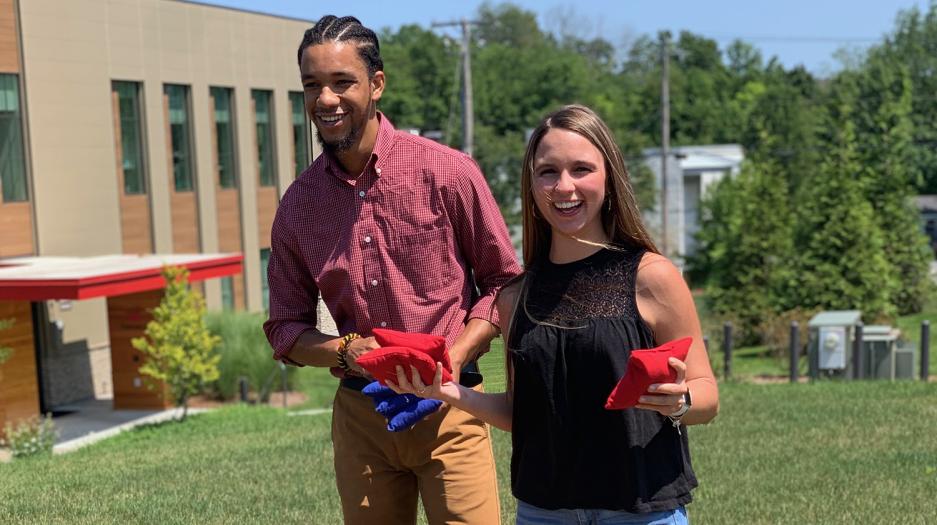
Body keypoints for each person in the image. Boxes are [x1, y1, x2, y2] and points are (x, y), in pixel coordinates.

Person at [390, 104, 719, 524]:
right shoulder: (515, 297)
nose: (564, 187)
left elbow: (707, 395)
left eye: (581, 169)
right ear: (531, 185)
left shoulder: (652, 277)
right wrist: (447, 392)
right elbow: (521, 412)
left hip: (640, 508)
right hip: (543, 512)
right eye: (548, 172)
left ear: (610, 178)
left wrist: (679, 401)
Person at [262, 15, 521, 525]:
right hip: (362, 419)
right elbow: (284, 328)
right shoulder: (297, 206)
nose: (326, 99)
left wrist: (452, 360)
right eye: (312, 85)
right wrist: (345, 351)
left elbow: (503, 284)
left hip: (451, 409)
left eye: (342, 82)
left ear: (376, 84)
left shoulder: (448, 172)